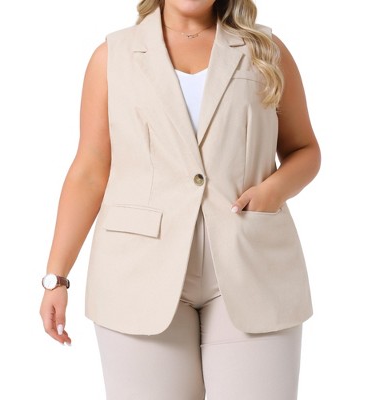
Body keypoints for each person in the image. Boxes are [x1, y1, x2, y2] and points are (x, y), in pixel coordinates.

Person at [40, 0, 321, 398]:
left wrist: (272, 191)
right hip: (137, 271)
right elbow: (90, 170)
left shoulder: (265, 51)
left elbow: (305, 150)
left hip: (252, 264)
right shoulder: (112, 57)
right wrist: (56, 278)